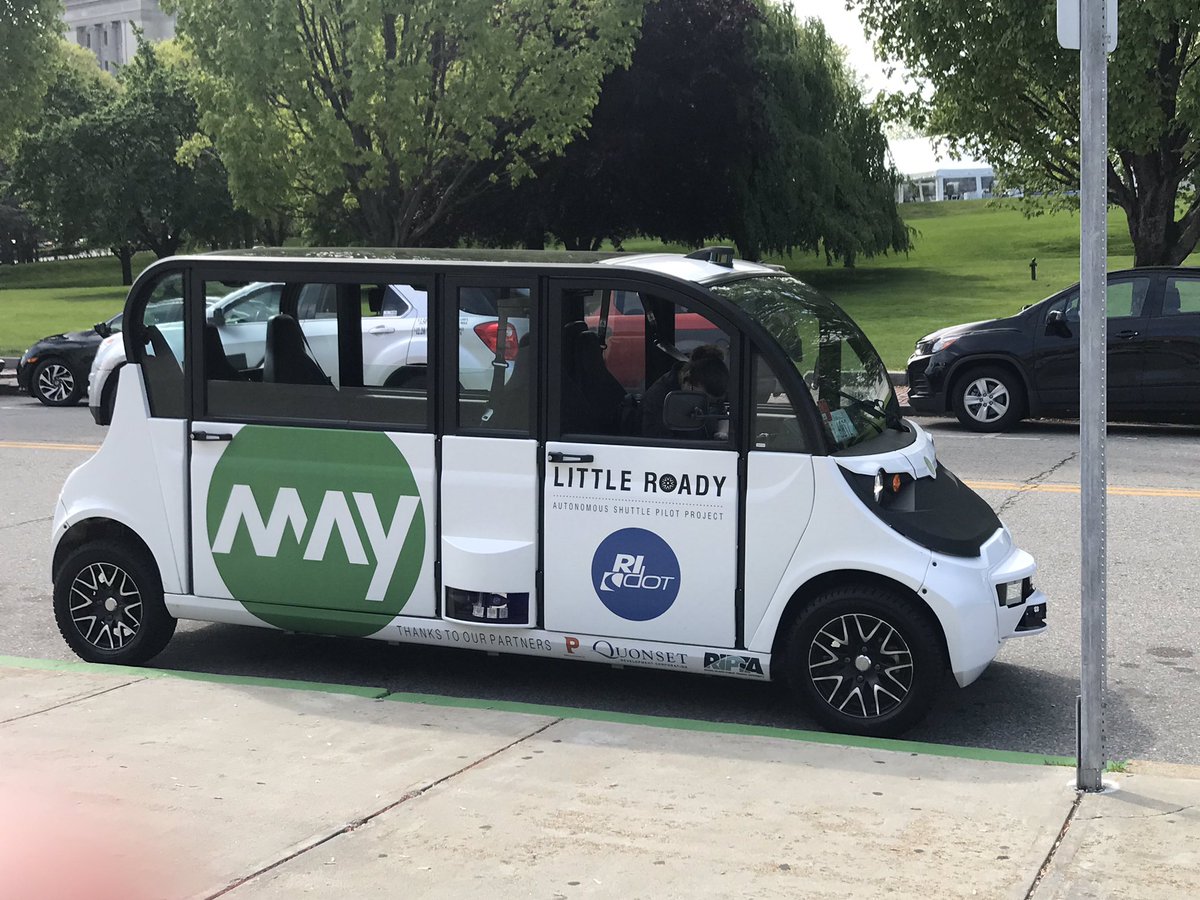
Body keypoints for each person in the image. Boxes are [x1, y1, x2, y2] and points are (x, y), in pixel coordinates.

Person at [641, 344, 729, 438]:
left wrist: (723, 432)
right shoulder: (658, 397)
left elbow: (721, 413)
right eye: (700, 398)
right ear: (687, 379)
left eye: (711, 402)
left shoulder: (706, 387)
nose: (705, 404)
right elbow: (658, 441)